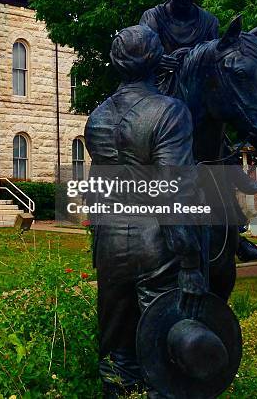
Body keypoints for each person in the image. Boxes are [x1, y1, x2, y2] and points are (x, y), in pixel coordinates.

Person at [85, 25, 206, 398]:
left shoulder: (98, 116)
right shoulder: (170, 111)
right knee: (165, 353)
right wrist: (190, 263)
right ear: (156, 60)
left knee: (117, 357)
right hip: (158, 247)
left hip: (110, 244)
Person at [140, 0, 257, 263]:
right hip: (163, 90)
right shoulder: (152, 17)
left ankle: (233, 228)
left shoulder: (208, 21)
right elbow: (142, 53)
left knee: (215, 135)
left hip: (196, 92)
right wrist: (160, 61)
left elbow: (213, 60)